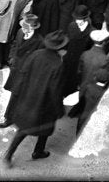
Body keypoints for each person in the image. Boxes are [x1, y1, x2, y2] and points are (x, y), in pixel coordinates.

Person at [4, 31, 67, 165]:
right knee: (46, 127)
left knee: (23, 129)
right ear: (59, 48)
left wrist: (17, 94)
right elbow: (55, 90)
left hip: (28, 97)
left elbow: (23, 74)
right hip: (45, 103)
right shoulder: (57, 64)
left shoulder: (35, 54)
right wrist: (59, 109)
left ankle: (9, 154)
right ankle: (38, 151)